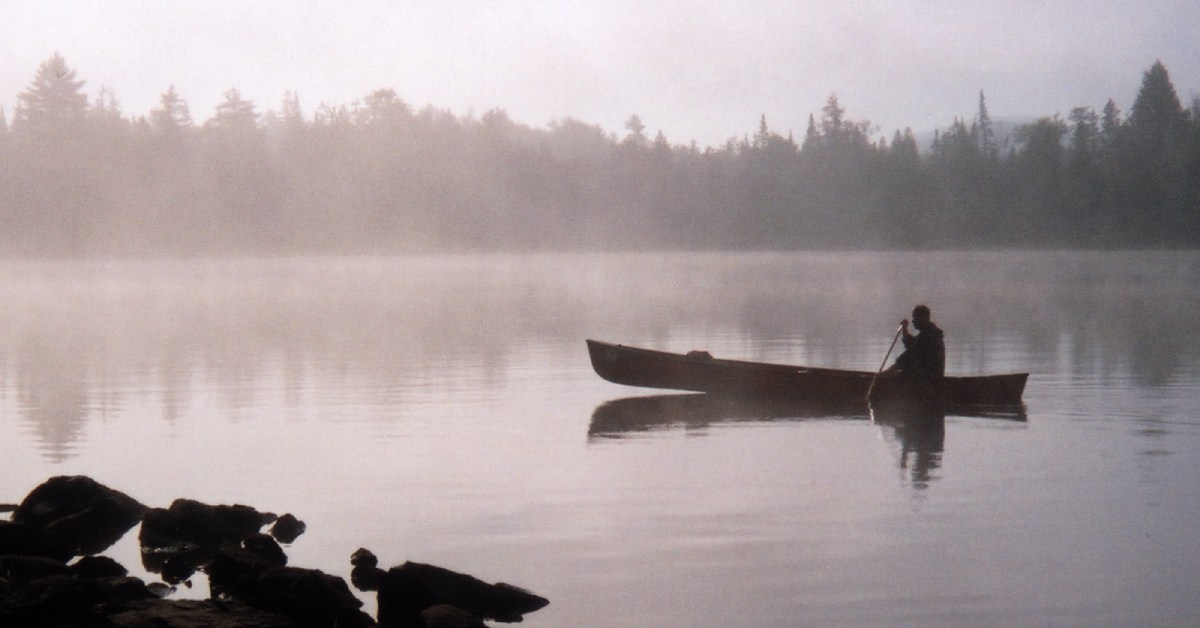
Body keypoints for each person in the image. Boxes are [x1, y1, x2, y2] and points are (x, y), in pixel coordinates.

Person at [889, 304, 945, 379]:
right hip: (930, 375)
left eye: (915, 318)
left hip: (930, 377)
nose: (913, 321)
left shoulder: (929, 335)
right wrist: (904, 329)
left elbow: (909, 354)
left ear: (924, 318)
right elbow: (911, 344)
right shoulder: (929, 332)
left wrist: (891, 370)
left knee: (900, 373)